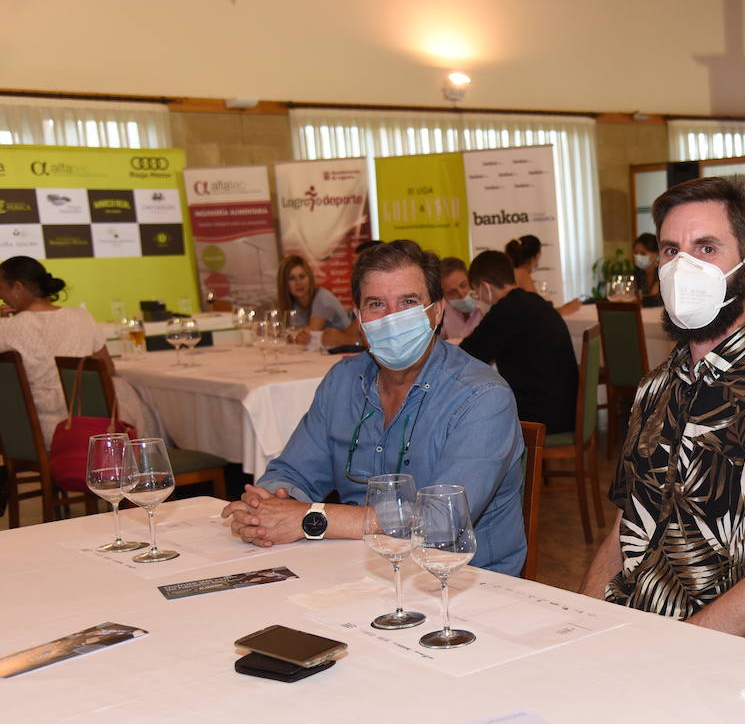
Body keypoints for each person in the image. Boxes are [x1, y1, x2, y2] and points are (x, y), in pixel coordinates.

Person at [579, 177, 745, 637]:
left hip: (723, 652)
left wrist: (675, 649)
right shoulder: (654, 388)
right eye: (671, 251)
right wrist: (584, 625)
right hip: (626, 635)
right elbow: (624, 532)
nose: (683, 266)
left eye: (706, 249)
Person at [221, 240, 526, 575]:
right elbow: (292, 472)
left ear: (437, 312)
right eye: (376, 304)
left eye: (408, 302)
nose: (392, 318)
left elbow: (442, 519)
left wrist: (313, 518)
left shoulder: (482, 396)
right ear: (359, 318)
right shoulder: (343, 382)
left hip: (463, 583)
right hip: (358, 570)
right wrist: (263, 507)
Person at [0, 256, 158, 445]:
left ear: (18, 287)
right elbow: (107, 368)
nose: (1, 297)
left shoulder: (5, 329)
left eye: (1, 289)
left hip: (32, 436)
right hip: (90, 428)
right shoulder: (82, 317)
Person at [461, 250, 579, 436]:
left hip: (542, 418)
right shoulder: (534, 301)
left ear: (485, 286)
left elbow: (466, 357)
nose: (479, 300)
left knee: (475, 417)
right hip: (566, 408)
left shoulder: (505, 311)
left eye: (477, 293)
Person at [277, 255, 351, 344]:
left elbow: (309, 336)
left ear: (310, 278)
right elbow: (291, 333)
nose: (298, 283)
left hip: (347, 352)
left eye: (302, 276)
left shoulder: (323, 298)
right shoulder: (294, 303)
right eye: (292, 278)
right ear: (284, 284)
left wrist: (287, 335)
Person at [437, 256, 482, 343]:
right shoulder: (442, 314)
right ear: (444, 296)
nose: (461, 294)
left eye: (463, 285)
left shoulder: (487, 307)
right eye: (452, 292)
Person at [631, 233, 662, 307]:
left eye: (643, 253)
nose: (638, 257)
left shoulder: (663, 273)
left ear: (657, 254)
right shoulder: (637, 273)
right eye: (636, 253)